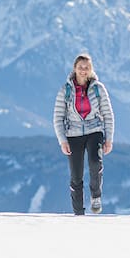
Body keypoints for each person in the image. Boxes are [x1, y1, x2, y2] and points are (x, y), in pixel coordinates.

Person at [53, 54, 115, 215]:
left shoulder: (98, 89)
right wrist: (62, 140)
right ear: (74, 68)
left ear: (91, 69)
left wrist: (109, 139)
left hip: (94, 130)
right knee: (76, 175)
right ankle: (78, 212)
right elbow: (58, 117)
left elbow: (108, 114)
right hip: (73, 134)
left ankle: (96, 196)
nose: (83, 70)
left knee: (95, 162)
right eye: (80, 67)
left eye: (86, 67)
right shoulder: (65, 90)